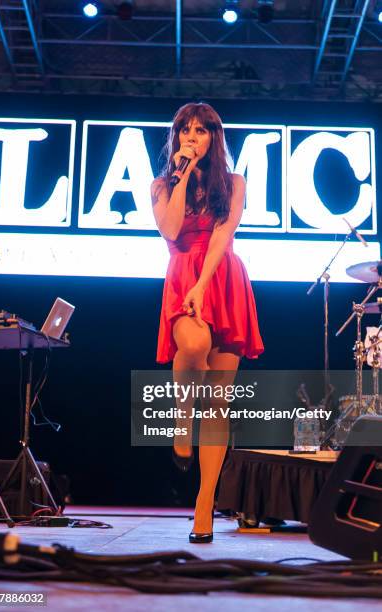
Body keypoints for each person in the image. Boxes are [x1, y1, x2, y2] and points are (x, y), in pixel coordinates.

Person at [151, 102, 264, 543]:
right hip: (182, 277)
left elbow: (224, 233)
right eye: (185, 130)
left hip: (223, 279)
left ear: (215, 137)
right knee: (192, 346)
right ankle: (181, 419)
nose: (191, 137)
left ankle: (204, 505)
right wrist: (180, 176)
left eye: (201, 130)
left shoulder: (233, 183)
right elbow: (170, 228)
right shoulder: (163, 185)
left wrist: (204, 285)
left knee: (218, 404)